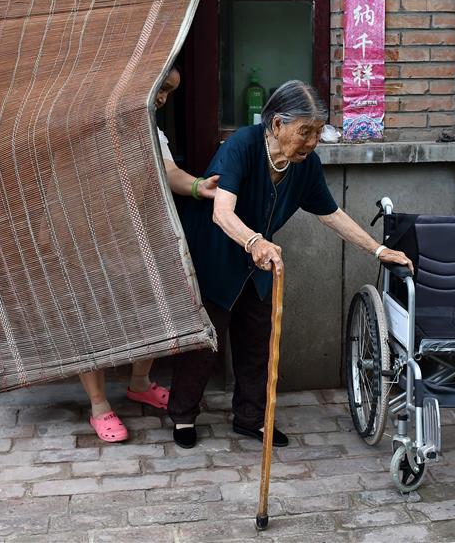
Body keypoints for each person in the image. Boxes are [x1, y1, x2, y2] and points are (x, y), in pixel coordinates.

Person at [168, 80, 413, 449]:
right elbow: (221, 213)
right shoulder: (241, 147)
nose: (313, 141)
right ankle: (183, 414)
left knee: (258, 342)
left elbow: (332, 214)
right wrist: (254, 241)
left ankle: (251, 419)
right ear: (277, 125)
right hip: (216, 254)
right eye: (305, 132)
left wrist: (378, 250)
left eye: (318, 132)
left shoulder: (305, 165)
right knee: (207, 340)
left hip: (261, 261)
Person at [81, 66, 219, 442]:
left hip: (135, 234)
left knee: (154, 306)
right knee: (91, 316)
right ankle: (98, 405)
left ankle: (139, 382)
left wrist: (196, 187)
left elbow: (169, 171)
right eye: (162, 88)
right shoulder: (90, 126)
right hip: (89, 235)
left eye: (170, 92)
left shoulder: (151, 132)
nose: (163, 98)